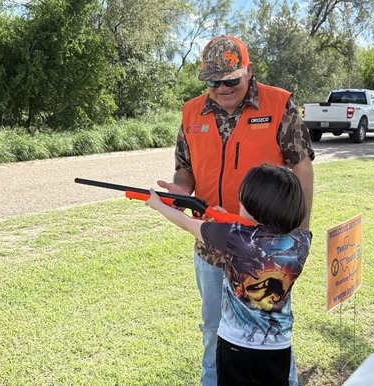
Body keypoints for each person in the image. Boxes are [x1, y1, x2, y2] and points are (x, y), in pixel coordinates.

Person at [157, 35, 315, 385]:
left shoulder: (279, 104)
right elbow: (184, 166)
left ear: (249, 72)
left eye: (231, 79)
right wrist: (181, 189)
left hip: (265, 248)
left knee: (269, 328)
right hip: (213, 244)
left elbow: (301, 167)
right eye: (213, 81)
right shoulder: (190, 111)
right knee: (214, 326)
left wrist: (298, 233)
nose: (223, 88)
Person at [148, 164, 312, 386]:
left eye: (242, 199)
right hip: (278, 347)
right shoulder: (301, 241)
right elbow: (260, 232)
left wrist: (158, 205)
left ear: (253, 205)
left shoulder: (235, 238)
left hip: (236, 346)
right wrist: (229, 219)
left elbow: (187, 223)